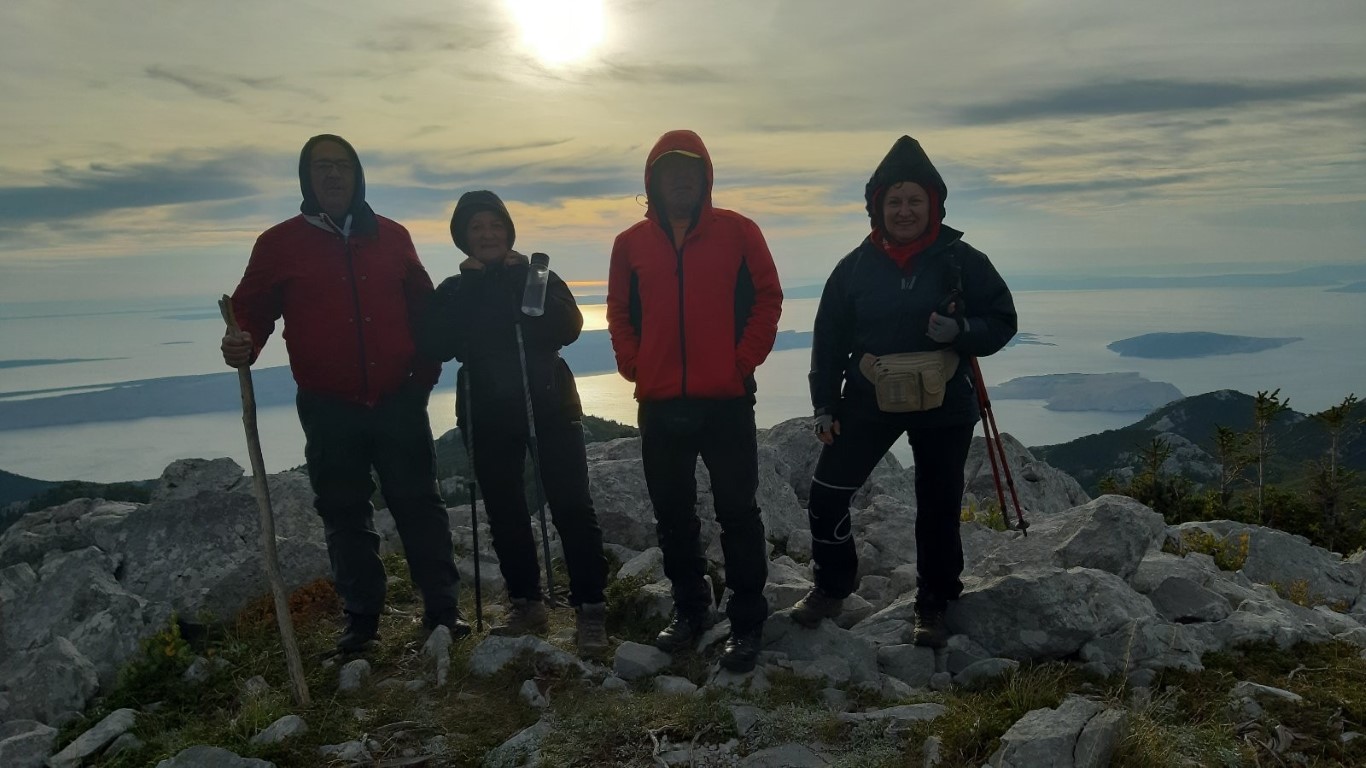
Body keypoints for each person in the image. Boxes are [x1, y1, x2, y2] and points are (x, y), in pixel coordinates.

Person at [222, 134, 467, 652]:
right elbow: (250, 311)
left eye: (342, 166)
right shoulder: (278, 244)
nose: (333, 175)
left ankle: (443, 610)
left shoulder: (393, 237)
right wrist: (242, 341)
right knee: (343, 511)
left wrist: (421, 380)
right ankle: (362, 622)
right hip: (328, 406)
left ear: (358, 176)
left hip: (398, 399)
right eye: (321, 167)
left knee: (419, 504)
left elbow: (423, 311)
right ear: (306, 178)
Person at [796, 135, 1017, 647]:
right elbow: (828, 340)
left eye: (915, 200)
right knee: (827, 495)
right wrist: (825, 403)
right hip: (868, 398)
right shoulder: (854, 267)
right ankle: (832, 585)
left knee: (938, 507)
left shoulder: (963, 261)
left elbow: (1003, 320)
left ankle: (934, 602)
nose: (904, 210)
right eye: (894, 200)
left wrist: (962, 332)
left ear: (934, 204)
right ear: (877, 206)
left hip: (944, 402)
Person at [606, 130, 783, 673]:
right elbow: (618, 311)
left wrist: (740, 362)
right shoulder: (630, 244)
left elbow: (768, 298)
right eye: (669, 172)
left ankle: (747, 619)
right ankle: (691, 610)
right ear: (653, 182)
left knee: (738, 512)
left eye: (689, 171)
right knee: (672, 515)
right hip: (660, 403)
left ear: (705, 177)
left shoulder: (739, 232)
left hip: (726, 400)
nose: (680, 181)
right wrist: (634, 365)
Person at [416, 190, 609, 656]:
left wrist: (521, 282)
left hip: (550, 406)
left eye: (495, 225)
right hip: (486, 412)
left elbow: (569, 326)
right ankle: (526, 604)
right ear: (463, 237)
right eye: (477, 227)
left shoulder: (536, 275)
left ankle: (591, 609)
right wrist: (475, 287)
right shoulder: (455, 289)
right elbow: (437, 342)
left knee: (571, 505)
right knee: (505, 511)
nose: (488, 234)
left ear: (508, 231)